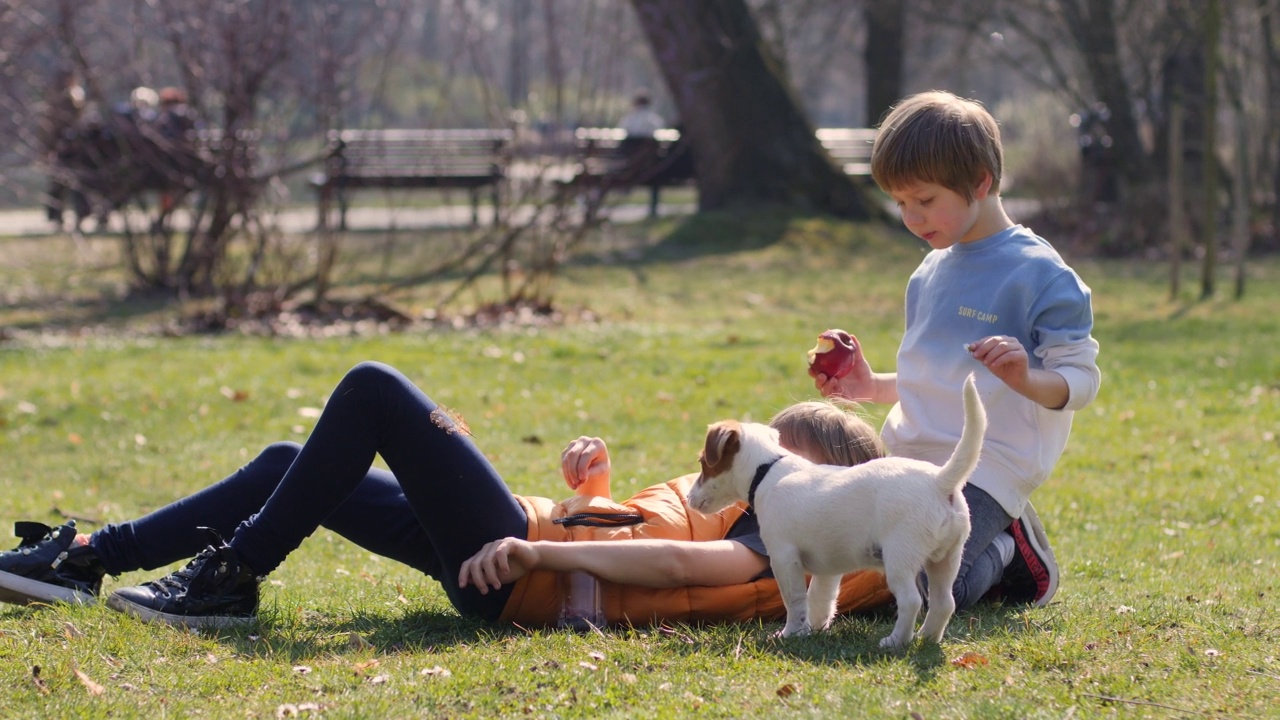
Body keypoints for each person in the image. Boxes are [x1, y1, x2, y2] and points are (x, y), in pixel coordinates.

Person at [1, 362, 893, 630]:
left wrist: (544, 547)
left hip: (515, 566)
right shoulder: (756, 509)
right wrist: (593, 495)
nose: (772, 465)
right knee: (286, 458)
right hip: (515, 550)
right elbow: (649, 546)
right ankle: (91, 559)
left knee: (374, 392)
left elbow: (677, 565)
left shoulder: (798, 548)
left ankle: (229, 577)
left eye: (794, 457)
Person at [810, 90, 1102, 610]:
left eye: (924, 200)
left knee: (925, 587)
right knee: (842, 547)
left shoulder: (1042, 276)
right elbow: (933, 379)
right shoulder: (929, 272)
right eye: (900, 203)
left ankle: (1014, 551)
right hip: (908, 455)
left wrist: (1025, 379)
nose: (912, 218)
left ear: (981, 184)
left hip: (986, 464)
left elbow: (1080, 383)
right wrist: (867, 386)